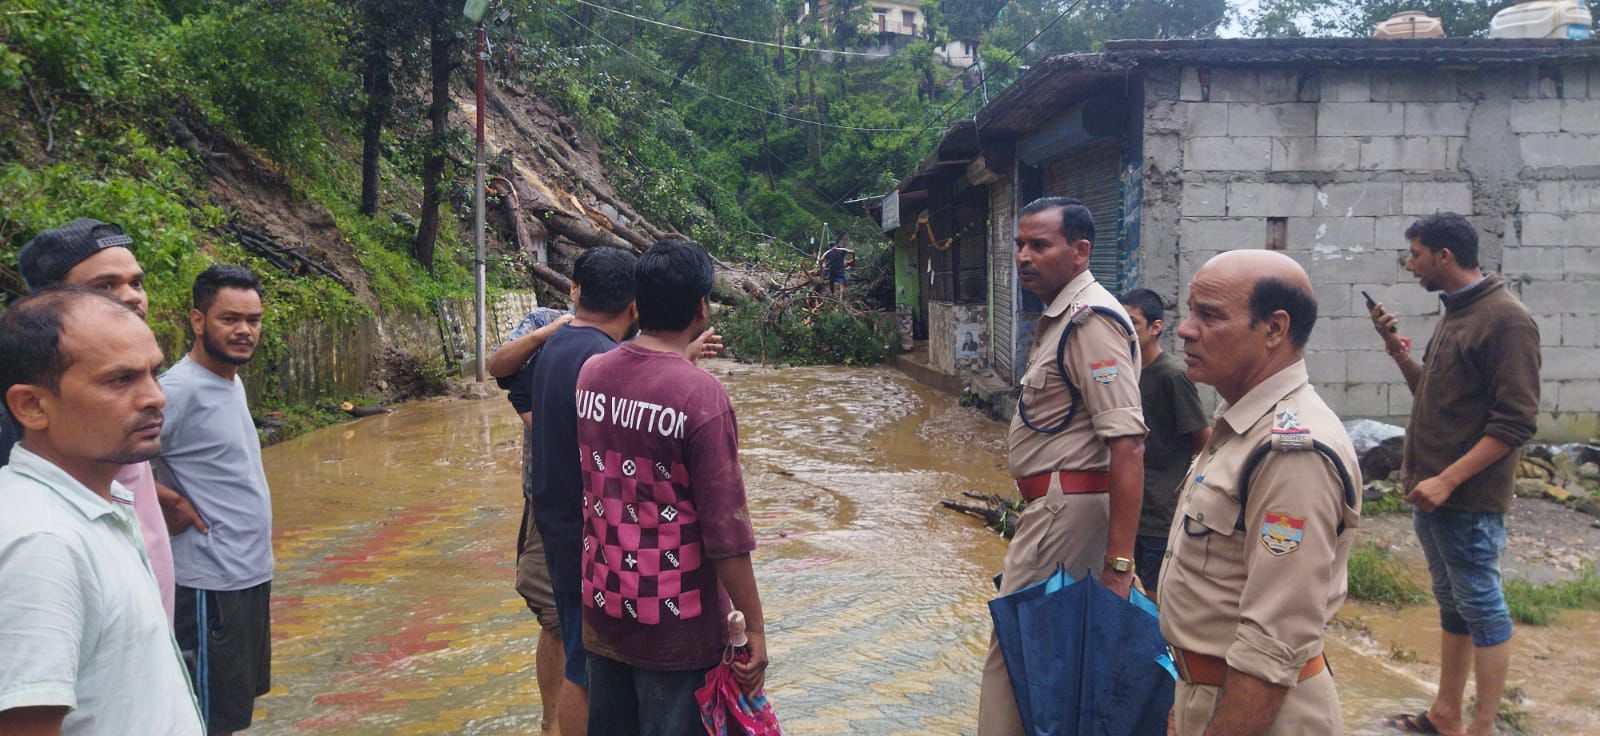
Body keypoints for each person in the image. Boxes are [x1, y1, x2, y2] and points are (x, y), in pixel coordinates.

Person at [1158, 250, 1361, 735]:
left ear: (1274, 329)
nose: (1185, 330)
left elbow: (1274, 640)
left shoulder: (1292, 450)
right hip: (1211, 692)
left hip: (1257, 712)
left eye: (1209, 316)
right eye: (1190, 312)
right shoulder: (1242, 426)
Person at [576, 237, 767, 734]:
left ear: (638, 304)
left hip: (603, 608)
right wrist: (755, 628)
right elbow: (726, 534)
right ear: (701, 308)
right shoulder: (701, 396)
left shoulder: (591, 375)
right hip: (676, 630)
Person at [978, 197, 1148, 736]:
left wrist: (1119, 567)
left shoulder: (1089, 321)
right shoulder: (1061, 319)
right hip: (1054, 509)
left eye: (1039, 245)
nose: (1023, 257)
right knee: (1051, 656)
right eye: (1019, 245)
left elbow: (1128, 444)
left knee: (1016, 651)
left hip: (1067, 511)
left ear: (1080, 252)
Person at [0, 287, 204, 735]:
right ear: (32, 406)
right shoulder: (41, 544)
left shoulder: (98, 505)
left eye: (153, 373)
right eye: (121, 380)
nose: (156, 397)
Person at [1368, 213, 1539, 736]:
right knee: (1455, 604)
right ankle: (1446, 714)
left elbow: (1515, 423)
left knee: (1482, 606)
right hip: (1433, 495)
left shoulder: (1506, 320)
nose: (1410, 264)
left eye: (1416, 254)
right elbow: (1433, 394)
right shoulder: (1459, 311)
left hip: (1466, 497)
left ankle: (1482, 725)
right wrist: (1395, 350)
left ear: (1444, 255)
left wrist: (1447, 480)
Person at [10, 218, 207, 626]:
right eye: (104, 286)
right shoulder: (36, 543)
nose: (131, 297)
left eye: (137, 283)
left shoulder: (104, 431)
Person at [526, 247, 641, 736]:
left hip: (557, 524)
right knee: (589, 668)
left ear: (578, 292)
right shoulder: (602, 359)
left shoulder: (558, 345)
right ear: (634, 306)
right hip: (590, 536)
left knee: (580, 656)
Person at [155, 265, 273, 736]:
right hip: (208, 584)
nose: (244, 330)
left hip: (248, 572)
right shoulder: (176, 390)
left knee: (231, 711)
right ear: (198, 320)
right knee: (203, 717)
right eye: (230, 319)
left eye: (253, 320)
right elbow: (110, 460)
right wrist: (165, 500)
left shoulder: (230, 379)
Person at [489, 306, 574, 735]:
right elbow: (498, 367)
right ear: (573, 289)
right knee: (555, 616)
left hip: (610, 501)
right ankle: (551, 723)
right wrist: (545, 336)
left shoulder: (628, 331)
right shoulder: (543, 321)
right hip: (547, 497)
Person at [1119, 288, 1210, 597]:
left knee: (1157, 595)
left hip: (1160, 512)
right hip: (1127, 506)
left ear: (1155, 327)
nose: (1125, 331)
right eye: (1120, 322)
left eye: (1133, 323)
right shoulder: (1123, 372)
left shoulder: (1172, 376)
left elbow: (1203, 439)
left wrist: (1182, 484)